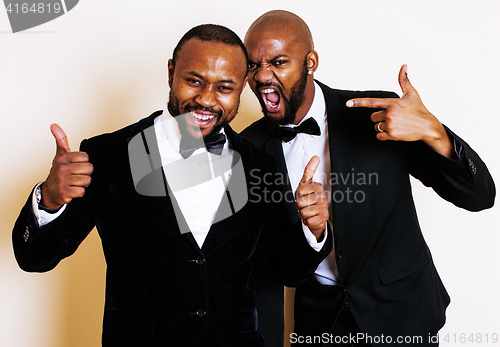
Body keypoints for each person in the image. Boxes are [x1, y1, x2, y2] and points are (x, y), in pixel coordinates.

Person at [12, 24, 334, 347]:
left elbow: (285, 269)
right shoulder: (107, 156)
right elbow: (34, 257)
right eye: (194, 81)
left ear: (242, 87)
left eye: (224, 87)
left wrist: (314, 229)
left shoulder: (258, 165)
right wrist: (49, 201)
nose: (206, 99)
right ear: (171, 73)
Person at [241, 10, 495, 347]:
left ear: (310, 61)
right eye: (253, 65)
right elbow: (275, 269)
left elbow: (480, 196)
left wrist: (435, 133)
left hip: (404, 317)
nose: (262, 76)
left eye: (278, 62)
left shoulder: (378, 116)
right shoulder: (247, 149)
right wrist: (312, 233)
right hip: (321, 325)